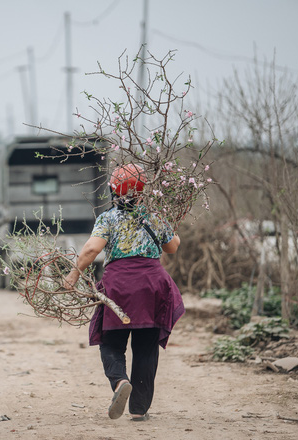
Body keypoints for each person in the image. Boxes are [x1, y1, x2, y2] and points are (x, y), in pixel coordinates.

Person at [63, 164, 184, 422]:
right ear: (143, 190)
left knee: (110, 341)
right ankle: (139, 409)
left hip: (119, 287)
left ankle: (119, 382)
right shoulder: (154, 216)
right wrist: (173, 229)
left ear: (114, 191)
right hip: (153, 287)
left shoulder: (108, 218)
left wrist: (73, 274)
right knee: (146, 348)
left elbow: (90, 251)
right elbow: (172, 247)